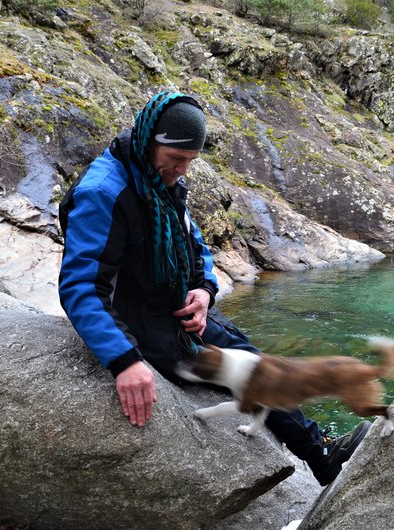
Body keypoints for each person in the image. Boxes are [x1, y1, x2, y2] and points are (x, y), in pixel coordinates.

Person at [58, 91, 369, 486]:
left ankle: (320, 452)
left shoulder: (160, 181)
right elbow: (80, 286)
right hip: (138, 326)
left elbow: (196, 247)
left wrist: (204, 290)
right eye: (176, 159)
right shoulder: (103, 193)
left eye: (190, 161)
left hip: (176, 312)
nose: (183, 170)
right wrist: (125, 361)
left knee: (258, 362)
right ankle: (322, 455)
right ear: (149, 140)